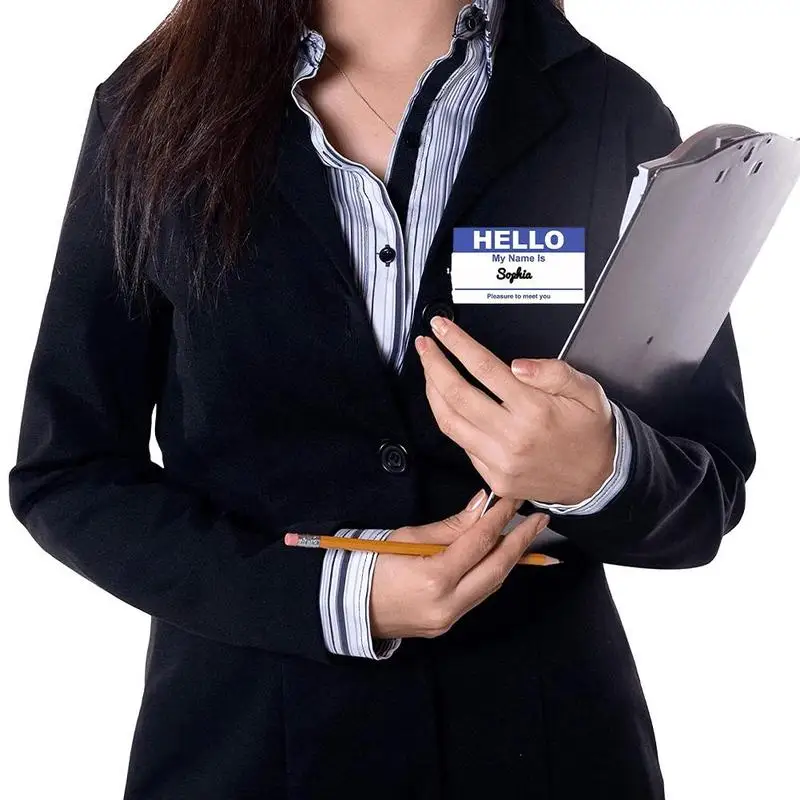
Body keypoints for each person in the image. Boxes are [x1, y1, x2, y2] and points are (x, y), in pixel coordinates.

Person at [8, 0, 756, 797]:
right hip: (246, 751)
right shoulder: (151, 110)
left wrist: (599, 469)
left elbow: (707, 489)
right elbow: (69, 474)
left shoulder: (610, 109)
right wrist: (335, 598)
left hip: (545, 750)